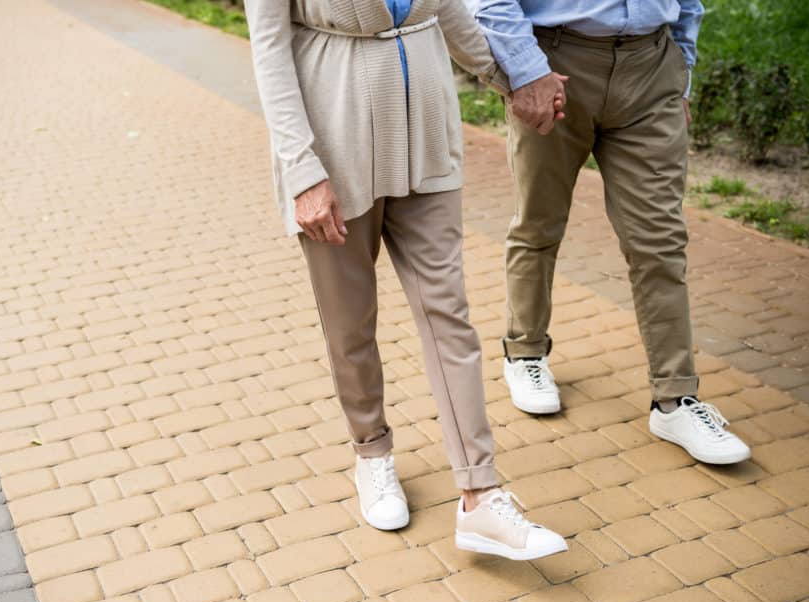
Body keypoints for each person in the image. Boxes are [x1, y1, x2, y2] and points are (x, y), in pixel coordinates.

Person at [245, 0, 568, 559]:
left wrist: (513, 77)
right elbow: (270, 49)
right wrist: (301, 170)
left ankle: (480, 494)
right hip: (334, 137)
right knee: (350, 318)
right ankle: (371, 453)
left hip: (424, 127)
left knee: (448, 311)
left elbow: (450, 9)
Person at [472, 0, 751, 465]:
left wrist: (681, 65)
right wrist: (524, 72)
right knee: (539, 222)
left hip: (652, 68)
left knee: (660, 242)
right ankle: (525, 352)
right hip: (555, 64)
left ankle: (675, 398)